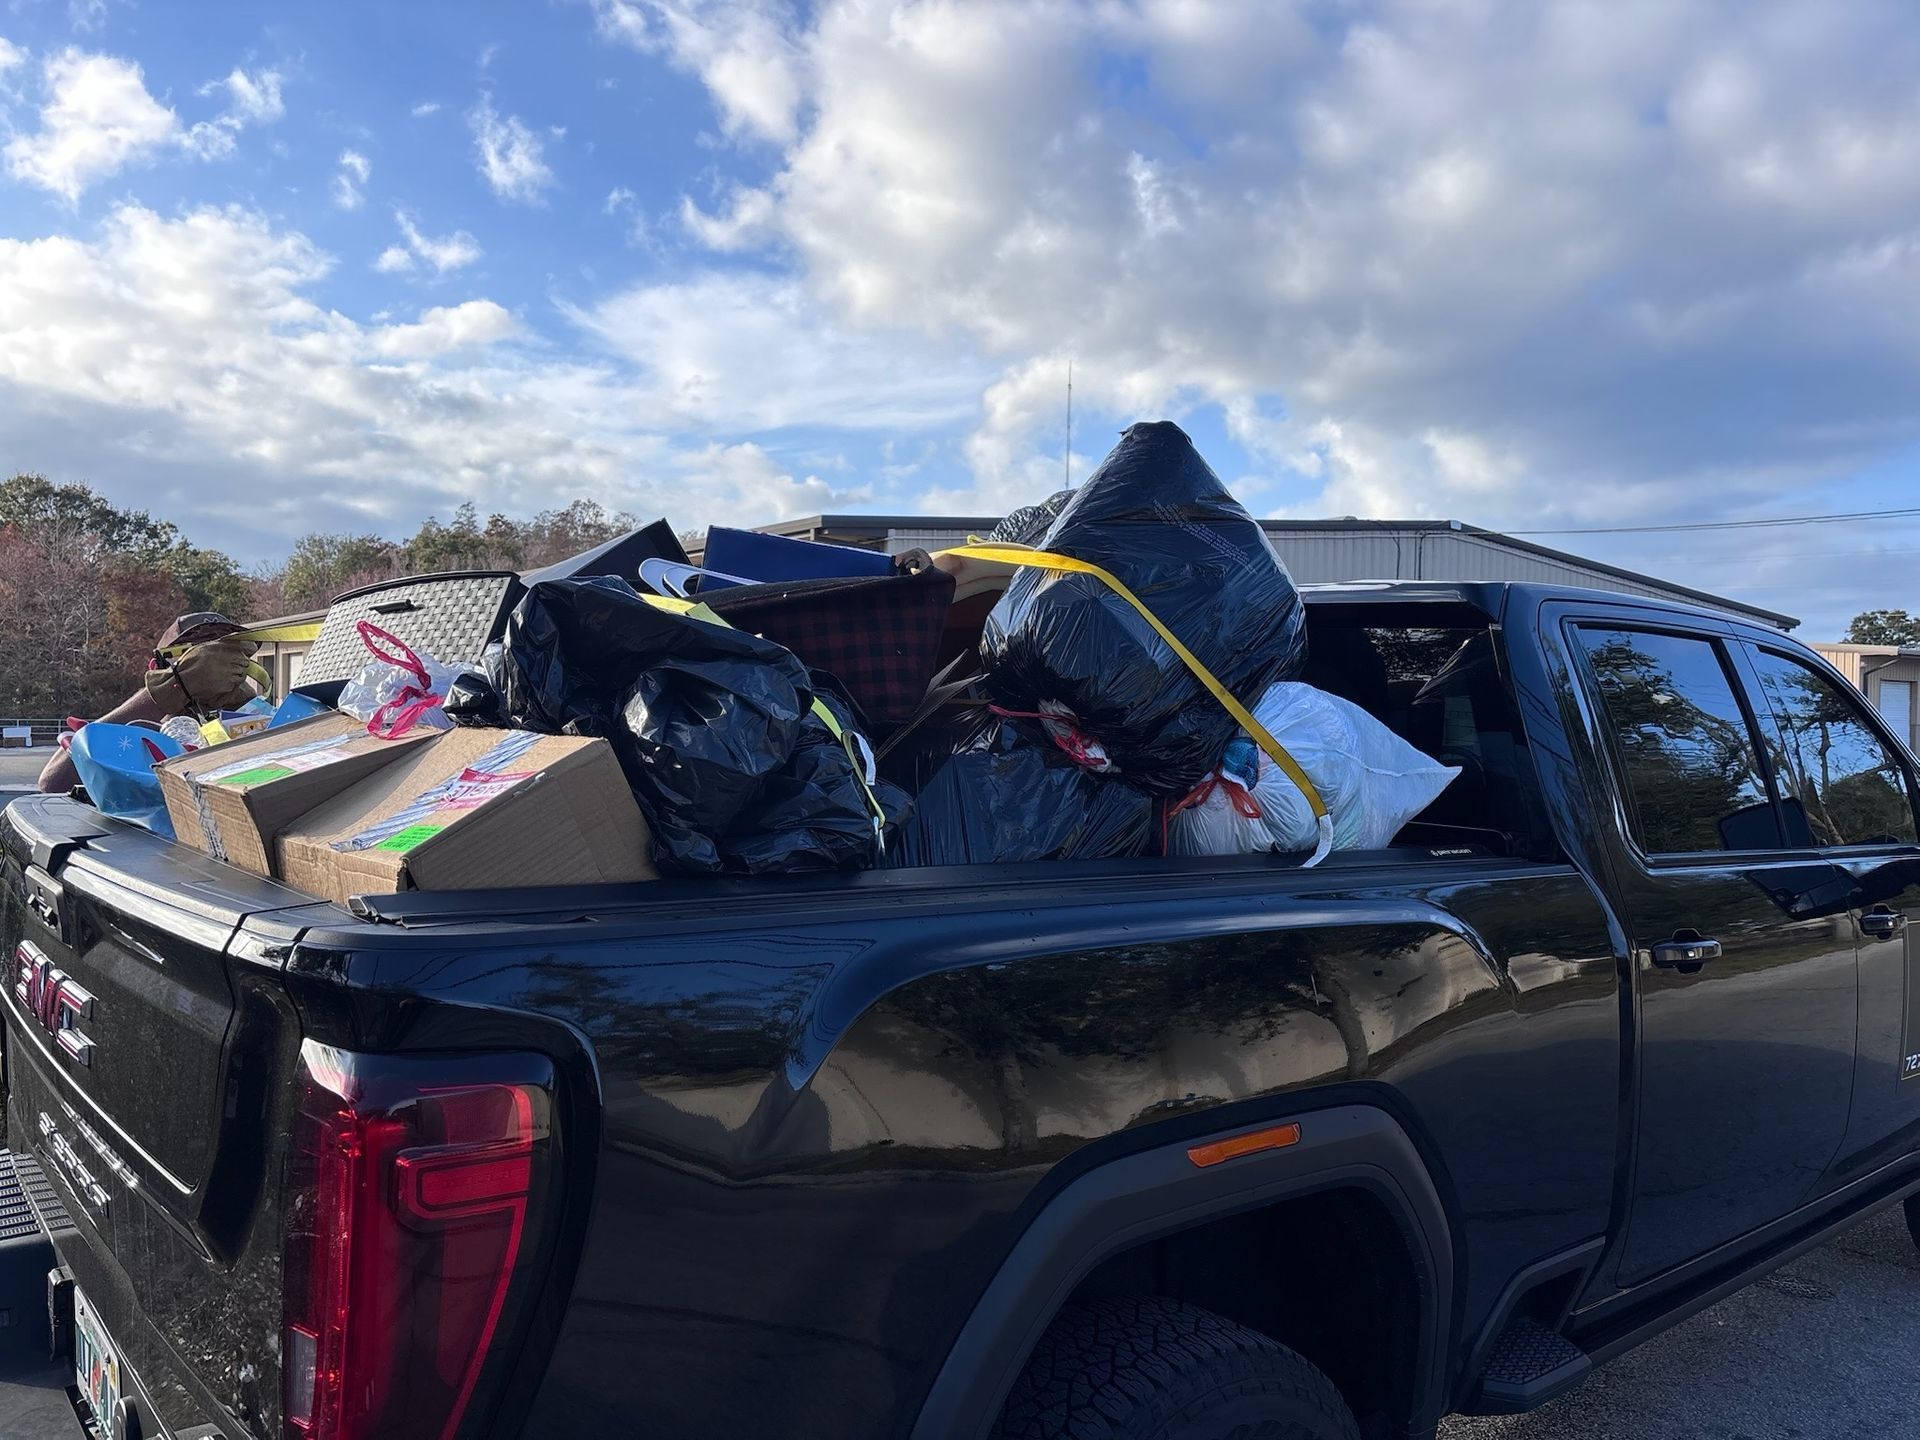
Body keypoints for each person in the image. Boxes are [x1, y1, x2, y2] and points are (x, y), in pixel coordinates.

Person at [36, 613, 260, 793]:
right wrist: (170, 690)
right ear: (156, 668)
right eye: (195, 656)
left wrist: (250, 707)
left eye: (228, 654)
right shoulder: (139, 731)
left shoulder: (257, 723)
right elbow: (53, 783)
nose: (215, 667)